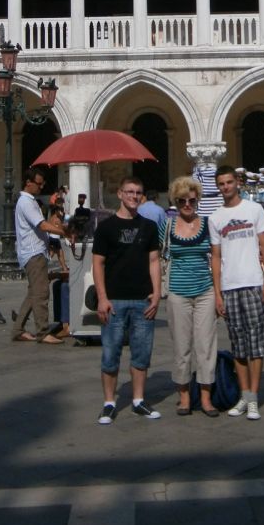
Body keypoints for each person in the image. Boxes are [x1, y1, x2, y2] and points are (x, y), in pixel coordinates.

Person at [93, 176, 162, 425]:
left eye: (138, 192)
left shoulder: (149, 226)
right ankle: (109, 403)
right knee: (110, 353)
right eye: (130, 191)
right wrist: (102, 297)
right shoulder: (106, 227)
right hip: (114, 300)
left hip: (142, 299)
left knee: (141, 353)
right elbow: (98, 263)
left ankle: (138, 400)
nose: (134, 196)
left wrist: (157, 293)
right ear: (120, 194)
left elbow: (154, 261)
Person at [209, 165, 264, 421]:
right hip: (229, 285)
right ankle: (244, 395)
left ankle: (254, 397)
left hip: (254, 282)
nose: (226, 187)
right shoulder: (215, 217)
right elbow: (215, 257)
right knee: (238, 345)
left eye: (229, 182)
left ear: (237, 182)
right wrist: (217, 293)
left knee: (256, 344)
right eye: (221, 184)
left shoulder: (254, 209)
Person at [160, 175, 218, 417]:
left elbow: (216, 257)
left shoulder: (207, 224)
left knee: (206, 346)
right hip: (177, 292)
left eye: (191, 201)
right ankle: (184, 396)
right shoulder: (167, 226)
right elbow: (154, 257)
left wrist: (219, 292)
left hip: (205, 291)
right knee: (181, 346)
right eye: (182, 201)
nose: (187, 205)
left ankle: (205, 397)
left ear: (197, 201)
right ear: (175, 202)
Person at [12, 167, 68, 344]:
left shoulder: (29, 201)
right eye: (39, 183)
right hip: (33, 253)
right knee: (41, 293)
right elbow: (42, 225)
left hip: (35, 252)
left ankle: (18, 330)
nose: (41, 187)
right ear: (28, 183)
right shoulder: (26, 202)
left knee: (33, 293)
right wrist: (64, 232)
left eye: (43, 184)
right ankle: (43, 332)